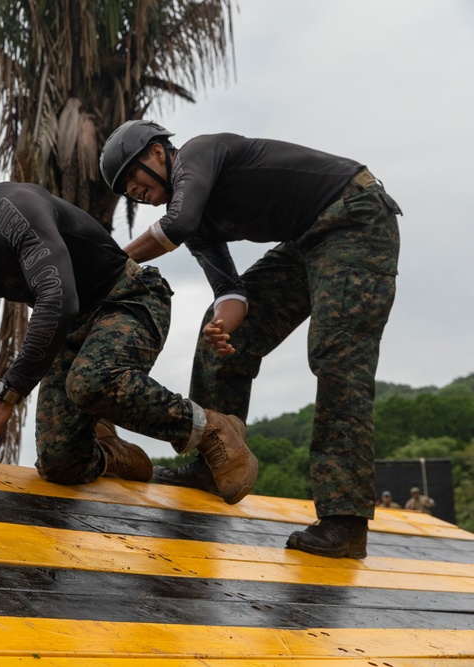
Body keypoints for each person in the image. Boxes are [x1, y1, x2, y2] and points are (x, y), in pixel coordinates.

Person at [0, 135, 259, 504]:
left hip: (127, 296)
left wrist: (6, 396)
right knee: (59, 464)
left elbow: (58, 299)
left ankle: (211, 429)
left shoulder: (14, 208)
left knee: (90, 382)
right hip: (70, 328)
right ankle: (112, 452)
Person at [100, 120, 401, 559]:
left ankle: (345, 521)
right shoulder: (197, 224)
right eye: (125, 189)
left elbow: (177, 221)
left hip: (355, 215)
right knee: (214, 337)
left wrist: (110, 263)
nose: (134, 191)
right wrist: (224, 326)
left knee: (338, 360)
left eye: (132, 175)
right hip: (307, 239)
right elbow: (231, 292)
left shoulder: (201, 152)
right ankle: (212, 462)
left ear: (159, 154)